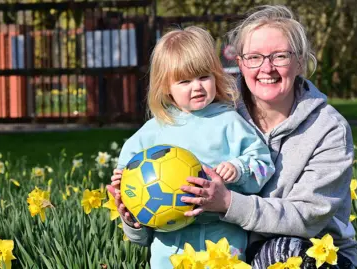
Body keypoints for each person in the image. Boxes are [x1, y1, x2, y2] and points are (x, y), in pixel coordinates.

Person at [111, 5, 357, 268]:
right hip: (213, 248)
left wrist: (228, 201)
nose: (267, 67)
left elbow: (308, 217)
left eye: (280, 56)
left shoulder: (328, 129)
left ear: (300, 61)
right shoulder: (220, 108)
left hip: (308, 247)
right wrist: (130, 210)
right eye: (254, 57)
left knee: (285, 253)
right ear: (239, 63)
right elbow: (139, 209)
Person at [110, 26, 275, 268]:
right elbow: (129, 175)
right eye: (184, 81)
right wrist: (123, 186)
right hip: (169, 246)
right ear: (166, 86)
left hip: (223, 239)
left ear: (215, 75)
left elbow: (263, 164)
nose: (196, 87)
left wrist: (239, 169)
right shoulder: (152, 132)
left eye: (203, 77)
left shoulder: (229, 122)